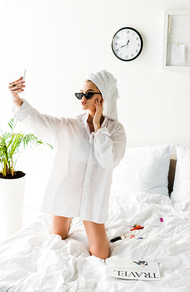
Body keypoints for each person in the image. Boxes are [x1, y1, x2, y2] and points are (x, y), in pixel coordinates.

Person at [8, 69, 126, 260]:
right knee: (56, 238)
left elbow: (109, 160)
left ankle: (81, 217)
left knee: (101, 255)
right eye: (81, 94)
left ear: (103, 98)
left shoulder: (116, 131)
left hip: (94, 198)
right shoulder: (69, 125)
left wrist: (98, 127)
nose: (82, 98)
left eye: (88, 94)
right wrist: (16, 99)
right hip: (67, 194)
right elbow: (39, 120)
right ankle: (69, 216)